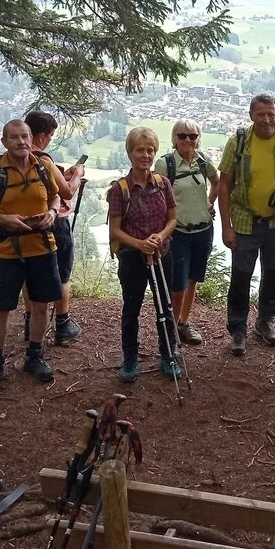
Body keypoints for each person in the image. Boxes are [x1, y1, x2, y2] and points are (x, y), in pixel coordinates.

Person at [0, 119, 62, 392]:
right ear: (4, 142)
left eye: (25, 137)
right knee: (1, 310)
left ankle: (35, 356)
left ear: (31, 139)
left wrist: (53, 212)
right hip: (6, 251)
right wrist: (3, 219)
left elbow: (56, 196)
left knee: (41, 305)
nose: (21, 142)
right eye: (14, 137)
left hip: (42, 247)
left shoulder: (43, 166)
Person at [217, 94, 275, 356]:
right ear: (251, 116)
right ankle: (238, 329)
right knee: (241, 276)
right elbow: (224, 185)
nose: (266, 119)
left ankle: (265, 321)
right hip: (245, 219)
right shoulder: (238, 141)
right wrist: (226, 226)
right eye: (261, 114)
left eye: (271, 114)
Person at [107, 126, 180, 382]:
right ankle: (130, 358)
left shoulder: (162, 184)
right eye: (140, 150)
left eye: (150, 150)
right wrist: (140, 244)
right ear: (130, 153)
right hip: (132, 257)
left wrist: (160, 236)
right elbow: (115, 230)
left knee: (165, 306)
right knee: (132, 308)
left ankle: (169, 354)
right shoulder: (120, 190)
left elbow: (173, 218)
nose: (146, 155)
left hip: (162, 253)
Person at [20, 110, 84, 346]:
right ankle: (62, 324)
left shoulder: (17, 158)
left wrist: (61, 174)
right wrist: (77, 175)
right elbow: (68, 191)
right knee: (61, 273)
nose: (49, 140)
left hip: (27, 223)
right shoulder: (43, 159)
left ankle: (30, 322)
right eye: (49, 136)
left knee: (30, 274)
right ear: (42, 136)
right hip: (54, 221)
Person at [153, 119, 218, 347]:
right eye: (182, 135)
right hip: (178, 232)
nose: (187, 140)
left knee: (192, 280)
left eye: (192, 136)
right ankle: (170, 333)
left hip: (203, 230)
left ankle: (183, 323)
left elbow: (217, 182)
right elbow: (155, 196)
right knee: (177, 285)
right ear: (174, 138)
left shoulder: (203, 161)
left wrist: (209, 203)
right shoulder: (165, 164)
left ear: (198, 138)